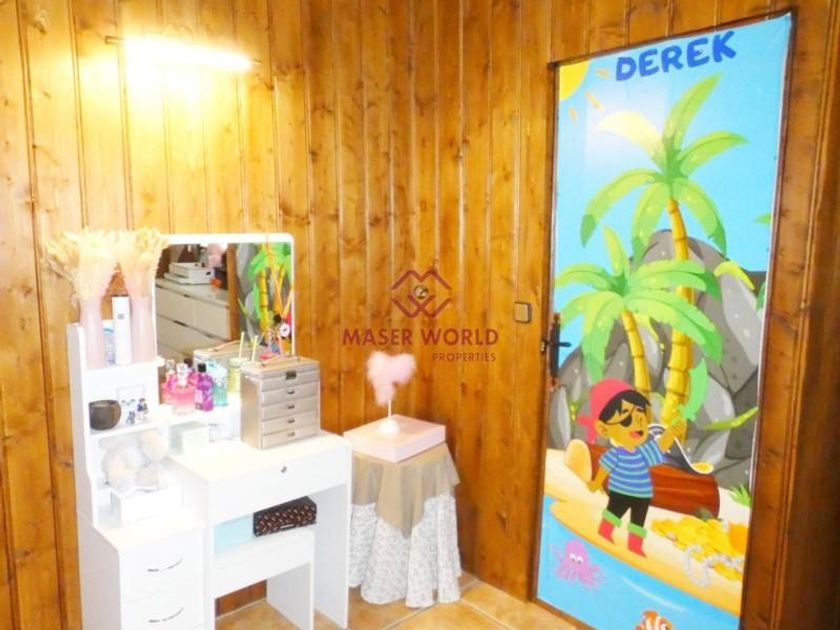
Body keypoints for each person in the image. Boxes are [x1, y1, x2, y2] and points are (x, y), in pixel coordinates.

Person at [581, 379, 683, 557]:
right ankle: (605, 531)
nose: (637, 423)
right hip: (620, 491)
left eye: (641, 418)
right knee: (613, 513)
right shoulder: (616, 454)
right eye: (627, 419)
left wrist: (670, 433)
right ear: (604, 430)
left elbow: (660, 446)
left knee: (638, 522)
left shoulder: (642, 453)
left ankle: (635, 545)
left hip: (642, 495)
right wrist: (596, 483)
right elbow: (605, 468)